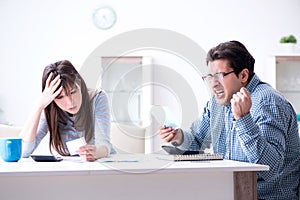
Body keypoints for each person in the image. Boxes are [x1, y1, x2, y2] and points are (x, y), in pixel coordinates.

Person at [160, 41, 300, 199]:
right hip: (230, 192)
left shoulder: (267, 103)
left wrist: (243, 119)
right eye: (210, 77)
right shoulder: (217, 103)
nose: (213, 84)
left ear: (243, 75)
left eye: (220, 76)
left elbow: (269, 168)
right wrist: (179, 137)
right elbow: (197, 140)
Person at [20, 60, 115, 161]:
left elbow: (104, 145)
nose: (70, 102)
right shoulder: (50, 107)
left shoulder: (97, 98)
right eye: (60, 97)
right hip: (67, 169)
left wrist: (95, 153)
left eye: (73, 92)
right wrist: (38, 106)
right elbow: (24, 152)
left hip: (98, 166)